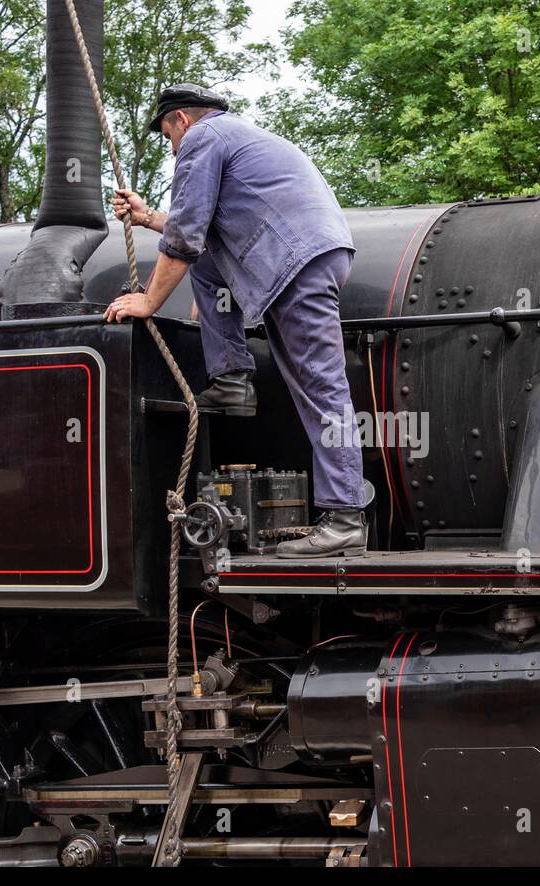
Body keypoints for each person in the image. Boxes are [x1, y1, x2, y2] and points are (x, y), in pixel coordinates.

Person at [103, 84, 366, 559]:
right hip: (306, 253)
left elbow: (184, 237)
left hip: (297, 261)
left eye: (167, 136)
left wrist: (148, 301)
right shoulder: (238, 138)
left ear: (181, 120)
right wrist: (145, 218)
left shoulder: (204, 139)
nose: (172, 146)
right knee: (205, 263)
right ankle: (231, 377)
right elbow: (194, 226)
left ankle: (345, 516)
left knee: (322, 388)